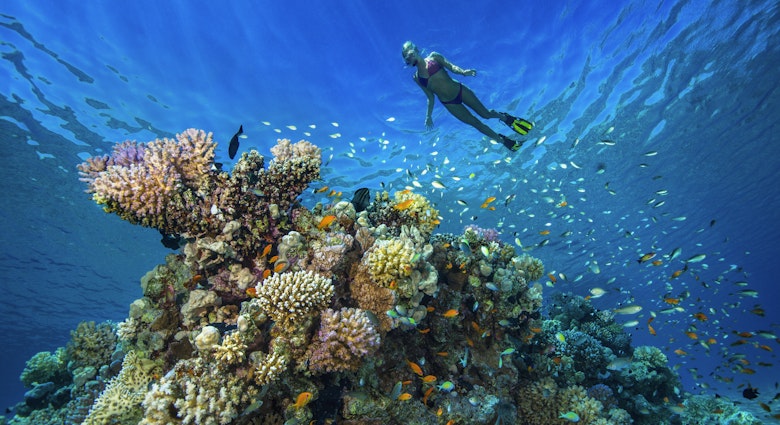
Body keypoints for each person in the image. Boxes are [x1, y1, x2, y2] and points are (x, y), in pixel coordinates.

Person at [401, 41, 533, 151]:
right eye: (406, 57)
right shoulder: (417, 78)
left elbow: (451, 67)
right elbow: (430, 97)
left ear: (416, 50)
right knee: (475, 123)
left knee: (485, 114)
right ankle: (502, 140)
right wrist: (428, 116)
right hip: (449, 104)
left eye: (410, 53)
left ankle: (505, 118)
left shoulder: (434, 57)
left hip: (460, 90)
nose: (410, 57)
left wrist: (464, 72)